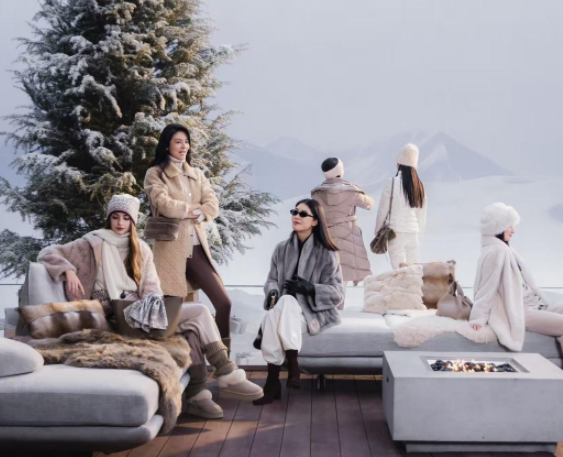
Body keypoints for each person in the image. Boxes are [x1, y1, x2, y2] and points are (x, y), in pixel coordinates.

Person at [37, 194, 262, 420]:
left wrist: (152, 305)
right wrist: (68, 270)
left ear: (133, 222)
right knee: (200, 312)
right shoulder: (90, 243)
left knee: (194, 327)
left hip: (139, 313)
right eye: (115, 217)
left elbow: (152, 288)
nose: (120, 223)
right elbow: (47, 253)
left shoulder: (141, 249)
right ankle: (226, 374)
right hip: (110, 317)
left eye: (126, 218)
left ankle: (198, 395)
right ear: (109, 218)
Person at [469, 202, 563, 409]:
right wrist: (478, 318)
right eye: (508, 225)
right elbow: (485, 288)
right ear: (497, 227)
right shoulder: (496, 252)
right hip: (517, 311)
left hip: (535, 306)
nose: (513, 229)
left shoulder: (506, 249)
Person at [144, 124, 235, 352]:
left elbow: (212, 206)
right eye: (178, 141)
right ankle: (189, 365)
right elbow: (165, 205)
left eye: (186, 141)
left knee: (224, 303)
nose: (184, 146)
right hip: (170, 252)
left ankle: (223, 356)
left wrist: (188, 210)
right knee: (176, 317)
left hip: (196, 250)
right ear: (167, 145)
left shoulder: (197, 174)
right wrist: (194, 208)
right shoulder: (155, 173)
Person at [253, 198, 344, 405]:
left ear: (315, 221)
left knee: (276, 314)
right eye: (294, 212)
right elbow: (272, 280)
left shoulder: (327, 253)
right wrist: (273, 293)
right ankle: (292, 364)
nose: (296, 216)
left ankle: (272, 382)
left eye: (303, 214)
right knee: (282, 305)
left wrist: (310, 288)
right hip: (287, 312)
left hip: (312, 313)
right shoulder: (281, 249)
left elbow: (338, 293)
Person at [311, 157, 374, 287]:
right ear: (340, 171)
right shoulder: (351, 191)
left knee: (330, 271)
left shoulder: (317, 193)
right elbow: (369, 204)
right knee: (347, 268)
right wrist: (358, 189)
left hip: (326, 234)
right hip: (349, 234)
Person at [375, 143, 427, 269]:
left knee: (400, 273)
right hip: (413, 235)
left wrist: (378, 231)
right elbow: (421, 215)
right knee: (411, 274)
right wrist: (418, 234)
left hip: (396, 234)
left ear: (399, 164)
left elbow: (382, 210)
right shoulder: (419, 186)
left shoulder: (392, 183)